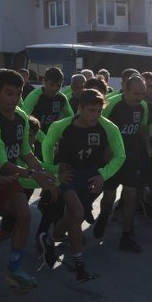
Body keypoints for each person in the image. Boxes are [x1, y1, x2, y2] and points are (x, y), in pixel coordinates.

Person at [0, 69, 59, 290]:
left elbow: (25, 152)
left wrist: (44, 173)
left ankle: (15, 269)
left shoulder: (22, 117)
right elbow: (2, 162)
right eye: (8, 93)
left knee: (24, 215)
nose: (13, 99)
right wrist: (34, 174)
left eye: (17, 94)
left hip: (9, 178)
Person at [40, 84, 126, 282]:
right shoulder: (62, 126)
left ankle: (49, 239)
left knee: (72, 217)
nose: (95, 114)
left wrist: (102, 175)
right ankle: (79, 266)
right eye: (91, 110)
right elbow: (47, 146)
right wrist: (54, 172)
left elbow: (120, 156)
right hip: (69, 176)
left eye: (99, 110)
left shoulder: (108, 127)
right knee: (78, 212)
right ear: (80, 108)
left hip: (91, 178)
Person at [97, 74, 152, 251]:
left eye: (142, 93)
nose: (140, 97)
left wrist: (148, 146)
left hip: (132, 157)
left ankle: (126, 235)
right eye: (136, 93)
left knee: (130, 195)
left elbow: (142, 128)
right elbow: (97, 125)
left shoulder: (143, 106)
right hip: (112, 159)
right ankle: (104, 216)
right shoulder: (112, 104)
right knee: (109, 196)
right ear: (125, 91)